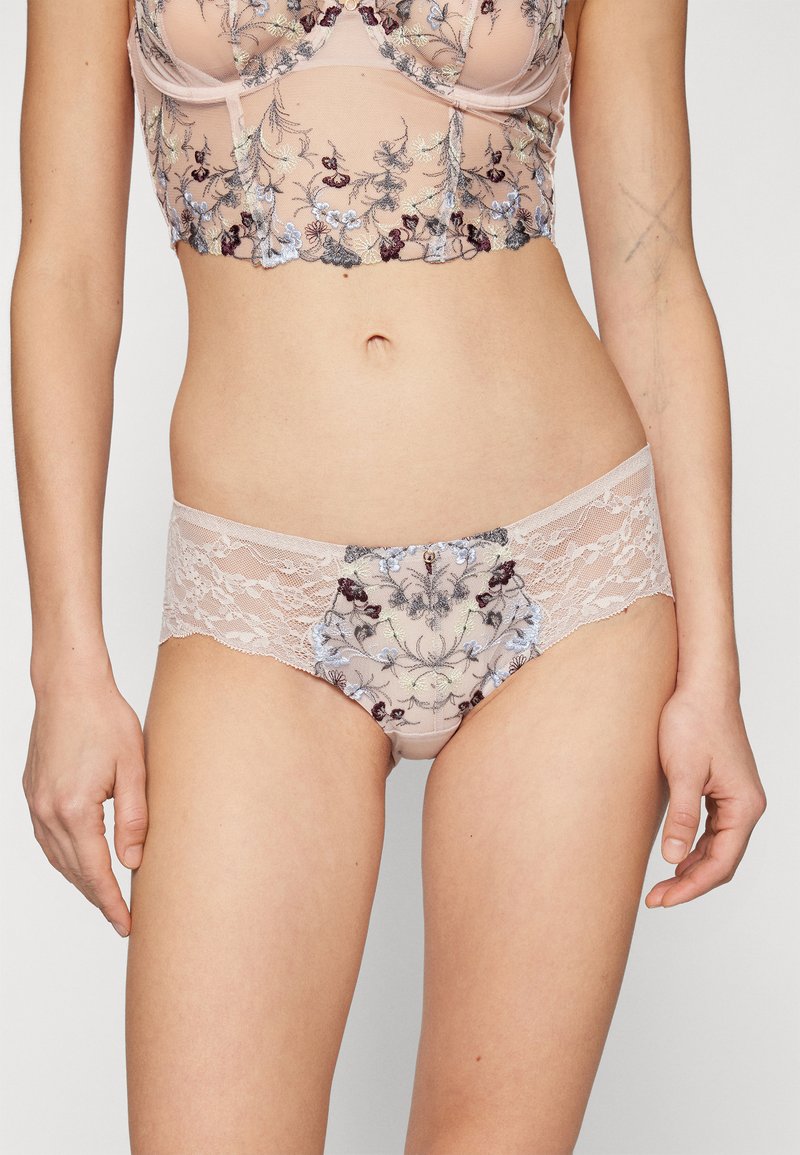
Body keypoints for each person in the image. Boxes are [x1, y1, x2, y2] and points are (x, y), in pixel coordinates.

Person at [11, 0, 767, 1150]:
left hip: (569, 579)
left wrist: (711, 670)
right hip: (257, 597)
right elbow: (63, 273)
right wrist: (64, 666)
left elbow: (652, 269)